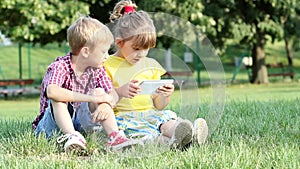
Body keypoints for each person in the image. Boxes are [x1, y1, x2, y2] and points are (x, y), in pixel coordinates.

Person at [104, 0, 208, 150]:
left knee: (167, 121)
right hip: (124, 117)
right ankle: (175, 143)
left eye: (146, 48)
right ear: (120, 43)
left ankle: (187, 133)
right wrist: (121, 92)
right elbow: (103, 102)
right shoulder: (107, 65)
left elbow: (158, 105)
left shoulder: (150, 65)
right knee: (149, 135)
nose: (142, 54)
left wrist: (164, 95)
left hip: (150, 114)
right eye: (136, 48)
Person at [32, 16, 141, 153]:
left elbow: (110, 94)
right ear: (85, 52)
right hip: (51, 127)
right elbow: (52, 92)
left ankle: (115, 137)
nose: (107, 56)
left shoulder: (98, 69)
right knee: (59, 98)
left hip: (80, 124)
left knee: (100, 92)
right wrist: (93, 99)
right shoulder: (60, 67)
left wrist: (107, 105)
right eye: (103, 52)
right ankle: (70, 136)